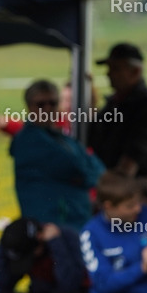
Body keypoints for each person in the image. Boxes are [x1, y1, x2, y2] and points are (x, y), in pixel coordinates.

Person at [11, 80, 105, 229]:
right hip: (52, 224)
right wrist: (90, 175)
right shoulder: (28, 140)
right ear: (29, 106)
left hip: (72, 219)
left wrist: (89, 174)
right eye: (41, 105)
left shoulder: (61, 137)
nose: (47, 109)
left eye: (53, 103)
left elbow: (98, 169)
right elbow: (76, 168)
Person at [88, 43, 147, 196]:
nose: (109, 74)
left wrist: (119, 180)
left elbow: (140, 146)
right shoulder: (114, 103)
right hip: (122, 191)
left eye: (116, 69)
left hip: (140, 192)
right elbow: (94, 136)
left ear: (135, 71)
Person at [0, 217, 87, 293]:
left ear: (40, 238)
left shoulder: (67, 237)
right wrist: (5, 248)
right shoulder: (23, 246)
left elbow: (69, 285)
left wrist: (56, 244)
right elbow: (5, 285)